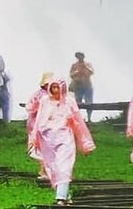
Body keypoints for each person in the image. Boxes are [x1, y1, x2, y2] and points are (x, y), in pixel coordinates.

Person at [30, 78, 95, 206]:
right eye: (53, 88)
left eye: (57, 88)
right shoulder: (45, 101)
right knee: (54, 168)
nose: (55, 91)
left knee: (64, 167)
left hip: (65, 138)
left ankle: (60, 197)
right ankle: (65, 195)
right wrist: (35, 137)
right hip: (49, 139)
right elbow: (39, 120)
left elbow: (78, 122)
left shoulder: (69, 102)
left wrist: (84, 142)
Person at [26, 72, 53, 179]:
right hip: (39, 125)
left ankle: (44, 171)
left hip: (44, 126)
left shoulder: (44, 95)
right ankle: (44, 170)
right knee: (41, 149)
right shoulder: (42, 95)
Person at [69, 52, 94, 122]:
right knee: (77, 102)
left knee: (89, 102)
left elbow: (92, 72)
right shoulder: (74, 65)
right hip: (78, 86)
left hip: (87, 85)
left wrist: (85, 67)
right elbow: (71, 75)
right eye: (78, 56)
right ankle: (78, 119)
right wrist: (77, 72)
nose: (79, 58)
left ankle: (89, 118)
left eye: (80, 56)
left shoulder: (88, 64)